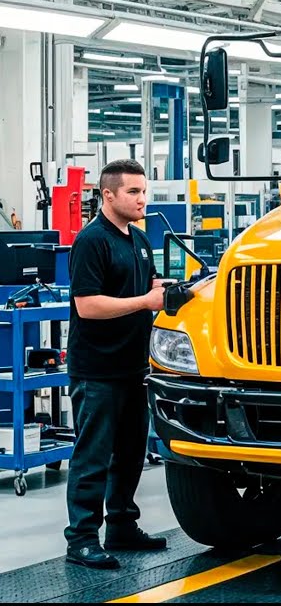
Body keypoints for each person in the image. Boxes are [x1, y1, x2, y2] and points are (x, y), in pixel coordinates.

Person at [64, 159, 169, 569]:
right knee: (93, 456)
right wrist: (145, 301)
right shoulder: (92, 241)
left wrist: (171, 289)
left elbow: (149, 286)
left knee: (129, 454)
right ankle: (82, 538)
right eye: (133, 192)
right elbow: (87, 305)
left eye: (144, 191)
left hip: (133, 366)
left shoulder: (139, 239)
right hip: (98, 371)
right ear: (108, 195)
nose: (143, 199)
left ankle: (122, 525)